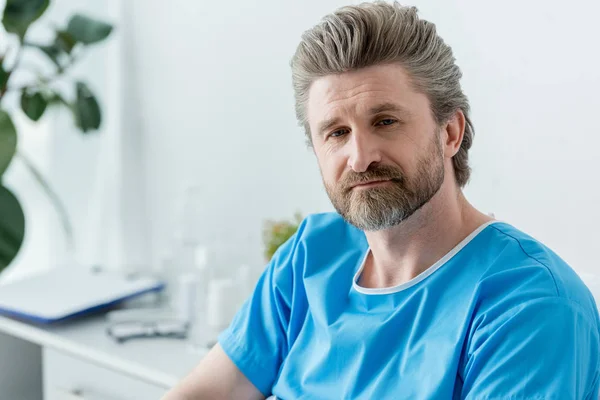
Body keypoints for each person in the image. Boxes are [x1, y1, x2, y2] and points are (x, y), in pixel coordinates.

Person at [163, 2, 600, 399]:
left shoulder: (531, 305)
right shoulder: (311, 255)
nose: (360, 157)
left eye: (385, 121)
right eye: (336, 132)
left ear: (450, 132)